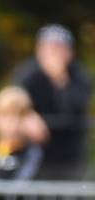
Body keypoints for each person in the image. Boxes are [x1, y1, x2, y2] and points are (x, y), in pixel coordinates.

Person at [13, 24, 91, 181]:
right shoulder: (27, 73)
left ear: (69, 52)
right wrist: (27, 115)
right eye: (47, 49)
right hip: (35, 153)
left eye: (57, 49)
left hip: (71, 156)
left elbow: (77, 105)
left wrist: (60, 80)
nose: (51, 55)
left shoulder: (80, 76)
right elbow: (15, 100)